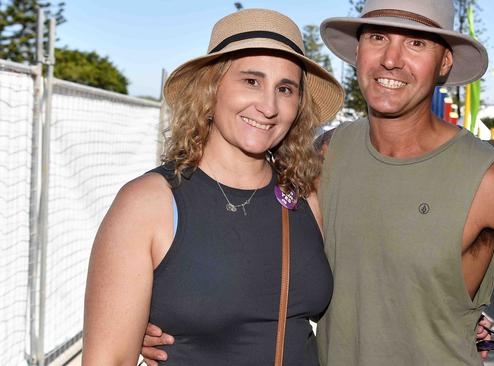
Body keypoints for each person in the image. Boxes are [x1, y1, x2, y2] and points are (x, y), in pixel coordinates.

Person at [142, 0, 494, 365]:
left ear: (445, 63)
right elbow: (247, 252)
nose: (391, 60)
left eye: (416, 43)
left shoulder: (489, 179)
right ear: (358, 51)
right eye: (377, 37)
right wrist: (174, 317)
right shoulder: (321, 158)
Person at [82, 8, 345, 365]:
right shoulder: (149, 203)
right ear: (211, 88)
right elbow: (109, 358)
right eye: (251, 81)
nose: (268, 106)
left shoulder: (306, 195)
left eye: (285, 89)